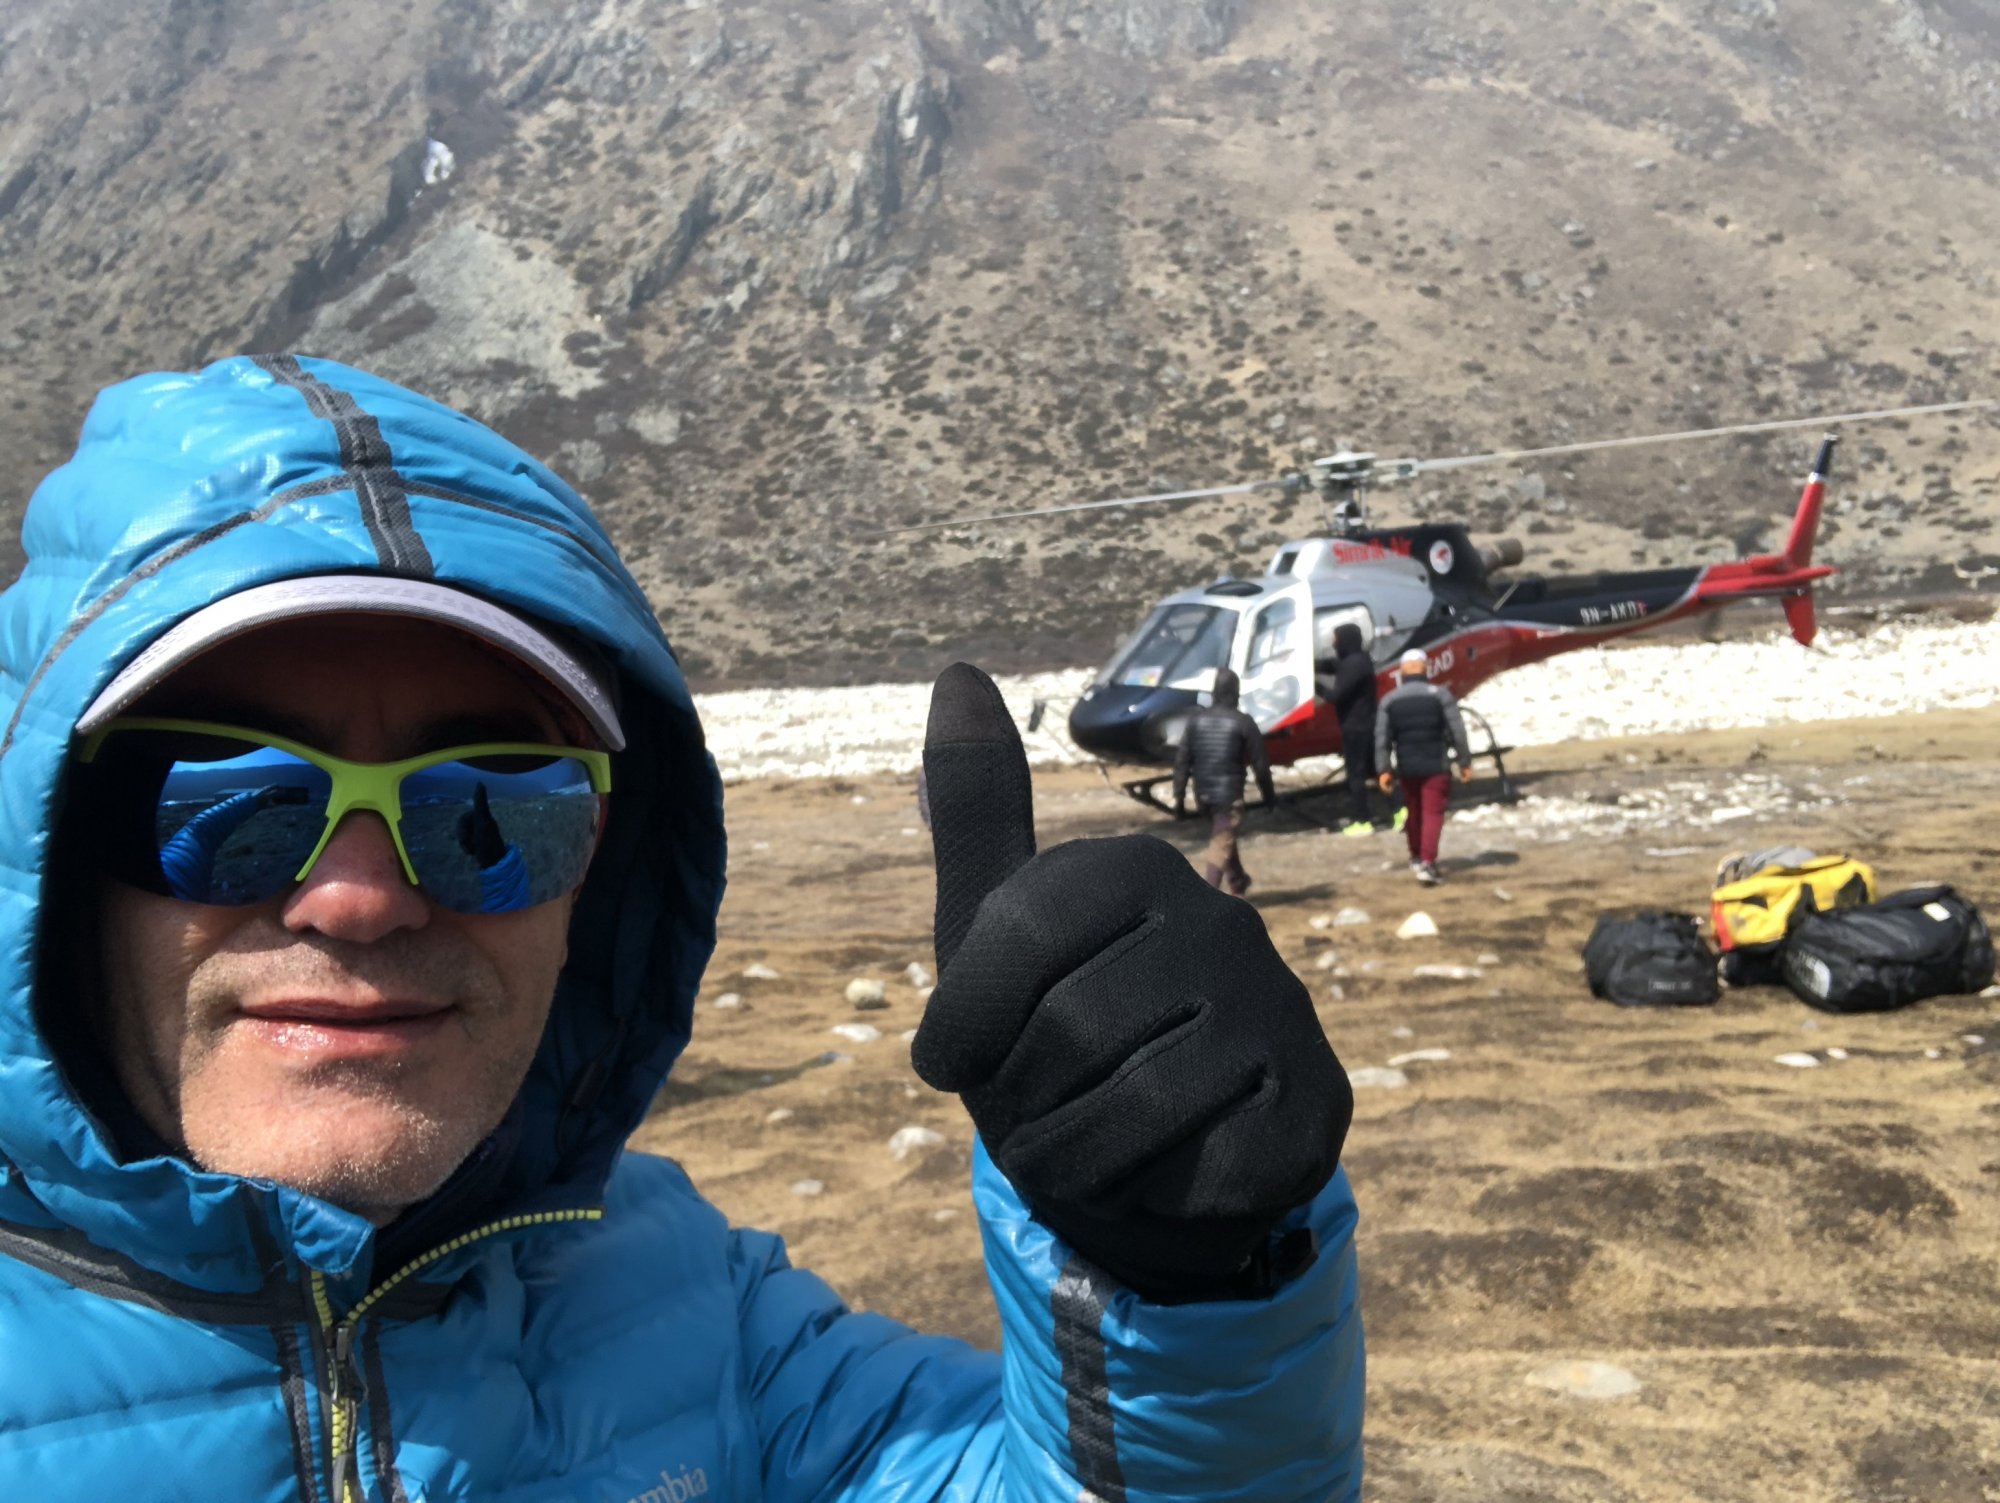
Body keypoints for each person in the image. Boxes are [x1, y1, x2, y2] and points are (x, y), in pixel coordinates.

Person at [0, 356, 1364, 1500]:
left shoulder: (695, 1314)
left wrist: (1178, 1273)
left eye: (496, 811)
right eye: (221, 806)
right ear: (55, 859)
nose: (357, 897)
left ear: (601, 871)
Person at [1170, 667, 1278, 895]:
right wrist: (1270, 796)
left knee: (1224, 836)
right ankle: (1208, 896)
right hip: (1229, 797)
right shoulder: (1243, 722)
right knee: (1221, 843)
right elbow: (1261, 764)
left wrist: (1179, 798)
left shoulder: (1196, 721)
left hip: (1203, 795)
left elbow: (1182, 762)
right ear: (1235, 693)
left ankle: (1238, 881)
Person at [1374, 647, 1474, 885]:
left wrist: (1384, 769)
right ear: (1425, 668)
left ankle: (1416, 856)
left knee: (1414, 811)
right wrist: (1464, 761)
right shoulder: (1440, 695)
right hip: (1436, 765)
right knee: (1432, 813)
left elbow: (1382, 739)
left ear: (1402, 670)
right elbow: (1457, 731)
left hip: (1407, 767)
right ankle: (1428, 862)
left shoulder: (1389, 700)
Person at [1318, 622, 1388, 835]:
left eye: (1336, 640)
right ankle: (1399, 810)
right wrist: (1311, 665)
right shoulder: (1359, 659)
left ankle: (1362, 820)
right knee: (1377, 770)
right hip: (1366, 725)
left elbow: (1335, 696)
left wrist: (1315, 686)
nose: (1333, 644)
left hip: (1356, 728)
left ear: (1345, 641)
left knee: (1356, 776)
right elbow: (1333, 665)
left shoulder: (1353, 665)